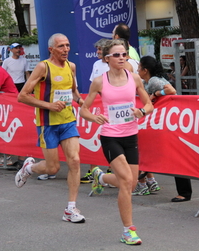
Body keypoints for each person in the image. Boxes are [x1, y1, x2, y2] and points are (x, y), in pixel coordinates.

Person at [80, 39, 153, 245]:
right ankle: (128, 230)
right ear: (107, 59)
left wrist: (142, 111)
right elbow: (84, 109)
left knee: (130, 183)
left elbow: (149, 104)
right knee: (125, 180)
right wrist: (94, 118)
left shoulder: (135, 78)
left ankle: (101, 178)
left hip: (131, 135)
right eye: (117, 55)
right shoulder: (99, 81)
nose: (122, 58)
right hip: (111, 136)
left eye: (124, 54)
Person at [16, 33, 85, 223]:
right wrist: (49, 106)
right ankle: (29, 168)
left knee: (75, 161)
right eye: (61, 46)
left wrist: (80, 100)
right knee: (52, 168)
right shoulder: (42, 67)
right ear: (51, 49)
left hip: (68, 121)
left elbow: (72, 91)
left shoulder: (71, 66)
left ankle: (71, 209)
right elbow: (22, 96)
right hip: (48, 123)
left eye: (68, 45)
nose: (66, 49)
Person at [132, 55, 174, 196]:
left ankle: (142, 184)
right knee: (143, 150)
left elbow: (171, 90)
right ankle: (150, 182)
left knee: (139, 150)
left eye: (139, 68)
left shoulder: (154, 81)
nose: (137, 70)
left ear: (145, 70)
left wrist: (157, 93)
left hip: (159, 122)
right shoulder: (147, 81)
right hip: (154, 121)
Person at [81, 38, 111, 184]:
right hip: (97, 107)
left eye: (100, 49)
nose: (97, 52)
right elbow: (93, 86)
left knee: (112, 139)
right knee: (94, 139)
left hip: (111, 108)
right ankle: (93, 171)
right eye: (97, 49)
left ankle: (112, 170)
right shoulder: (96, 64)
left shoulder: (114, 65)